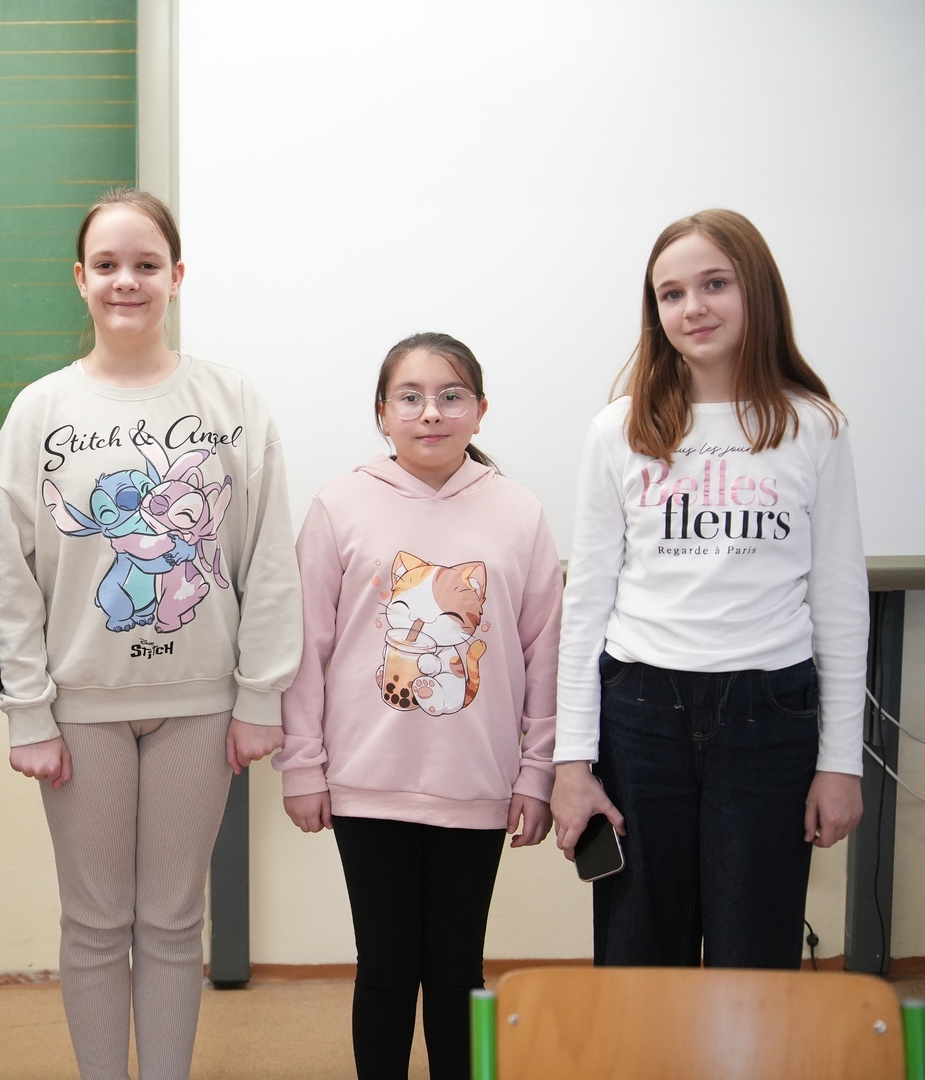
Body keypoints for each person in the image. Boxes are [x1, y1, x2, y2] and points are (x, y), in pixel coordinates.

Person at [0, 188, 302, 1080]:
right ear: (79, 278)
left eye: (146, 264)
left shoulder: (231, 401)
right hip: (79, 709)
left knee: (172, 922)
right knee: (94, 924)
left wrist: (261, 696)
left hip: (201, 708)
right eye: (108, 265)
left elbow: (268, 557)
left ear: (177, 275)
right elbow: (8, 576)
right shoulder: (39, 410)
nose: (126, 281)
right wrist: (29, 713)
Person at [550, 209, 868, 968]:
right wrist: (572, 764)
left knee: (753, 958)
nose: (692, 307)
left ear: (756, 290)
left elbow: (839, 604)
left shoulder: (813, 427)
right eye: (671, 294)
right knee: (638, 955)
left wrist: (841, 763)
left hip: (770, 716)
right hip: (640, 713)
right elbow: (586, 605)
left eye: (714, 284)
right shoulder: (618, 430)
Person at [275, 332, 562, 1080]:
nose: (430, 412)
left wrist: (537, 773)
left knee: (458, 967)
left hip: (478, 783)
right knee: (386, 965)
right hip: (367, 782)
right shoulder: (340, 505)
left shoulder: (519, 512)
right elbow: (304, 646)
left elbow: (545, 652)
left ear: (480, 410)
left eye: (450, 396)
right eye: (410, 397)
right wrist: (302, 765)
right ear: (382, 412)